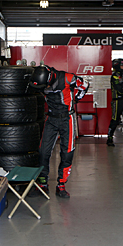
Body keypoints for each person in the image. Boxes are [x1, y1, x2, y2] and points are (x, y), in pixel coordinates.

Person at [28, 65, 90, 198]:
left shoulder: (68, 78)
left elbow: (85, 85)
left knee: (67, 152)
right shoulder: (40, 82)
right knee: (43, 151)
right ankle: (43, 184)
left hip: (67, 118)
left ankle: (61, 185)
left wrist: (76, 99)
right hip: (51, 118)